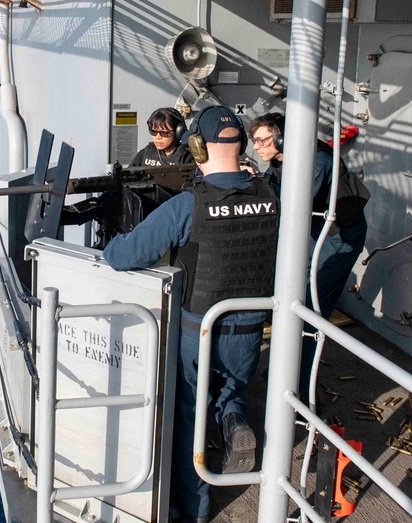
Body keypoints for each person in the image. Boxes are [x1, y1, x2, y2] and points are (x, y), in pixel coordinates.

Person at [104, 105, 279, 523]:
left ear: (196, 147)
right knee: (232, 391)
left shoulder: (189, 205)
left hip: (197, 329)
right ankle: (236, 422)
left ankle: (194, 509)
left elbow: (123, 255)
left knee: (189, 416)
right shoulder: (272, 197)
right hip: (251, 326)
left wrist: (114, 240)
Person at [248, 112, 368, 395]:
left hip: (340, 238)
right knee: (293, 295)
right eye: (254, 141)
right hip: (316, 233)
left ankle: (298, 386)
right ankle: (285, 367)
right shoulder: (282, 159)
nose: (257, 147)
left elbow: (290, 206)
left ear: (282, 138)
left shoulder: (315, 162)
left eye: (262, 140)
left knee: (310, 307)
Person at [129, 107, 194, 167]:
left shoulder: (187, 157)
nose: (158, 137)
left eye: (164, 133)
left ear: (178, 132)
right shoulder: (145, 153)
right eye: (153, 132)